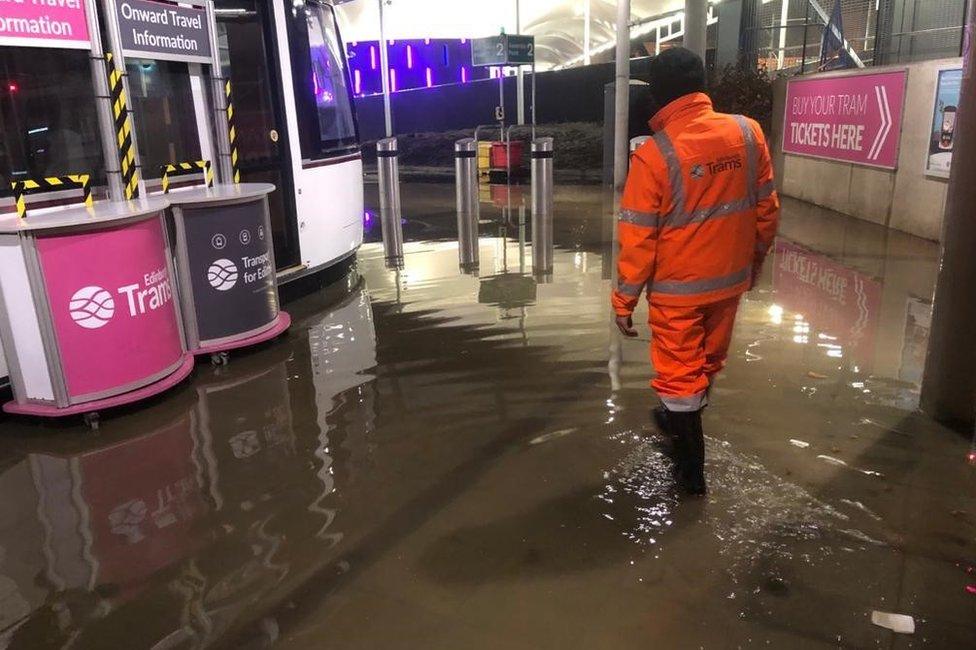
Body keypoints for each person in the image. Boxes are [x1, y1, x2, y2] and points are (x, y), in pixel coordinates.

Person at [611, 47, 780, 495]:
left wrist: (624, 301)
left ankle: (691, 477)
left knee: (680, 377)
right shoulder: (748, 134)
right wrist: (754, 263)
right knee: (705, 367)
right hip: (729, 285)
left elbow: (638, 238)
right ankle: (677, 427)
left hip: (676, 295)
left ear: (658, 94)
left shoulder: (654, 156)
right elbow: (766, 211)